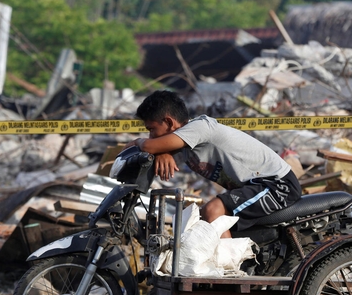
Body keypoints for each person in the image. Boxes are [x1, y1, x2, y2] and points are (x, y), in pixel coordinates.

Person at [127, 90, 301, 238]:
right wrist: (163, 151)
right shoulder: (185, 143)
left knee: (212, 210)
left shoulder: (200, 127)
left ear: (170, 122)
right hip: (257, 186)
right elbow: (156, 147)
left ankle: (230, 273)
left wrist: (140, 142)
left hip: (277, 185)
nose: (150, 136)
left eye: (151, 130)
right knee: (199, 221)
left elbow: (149, 146)